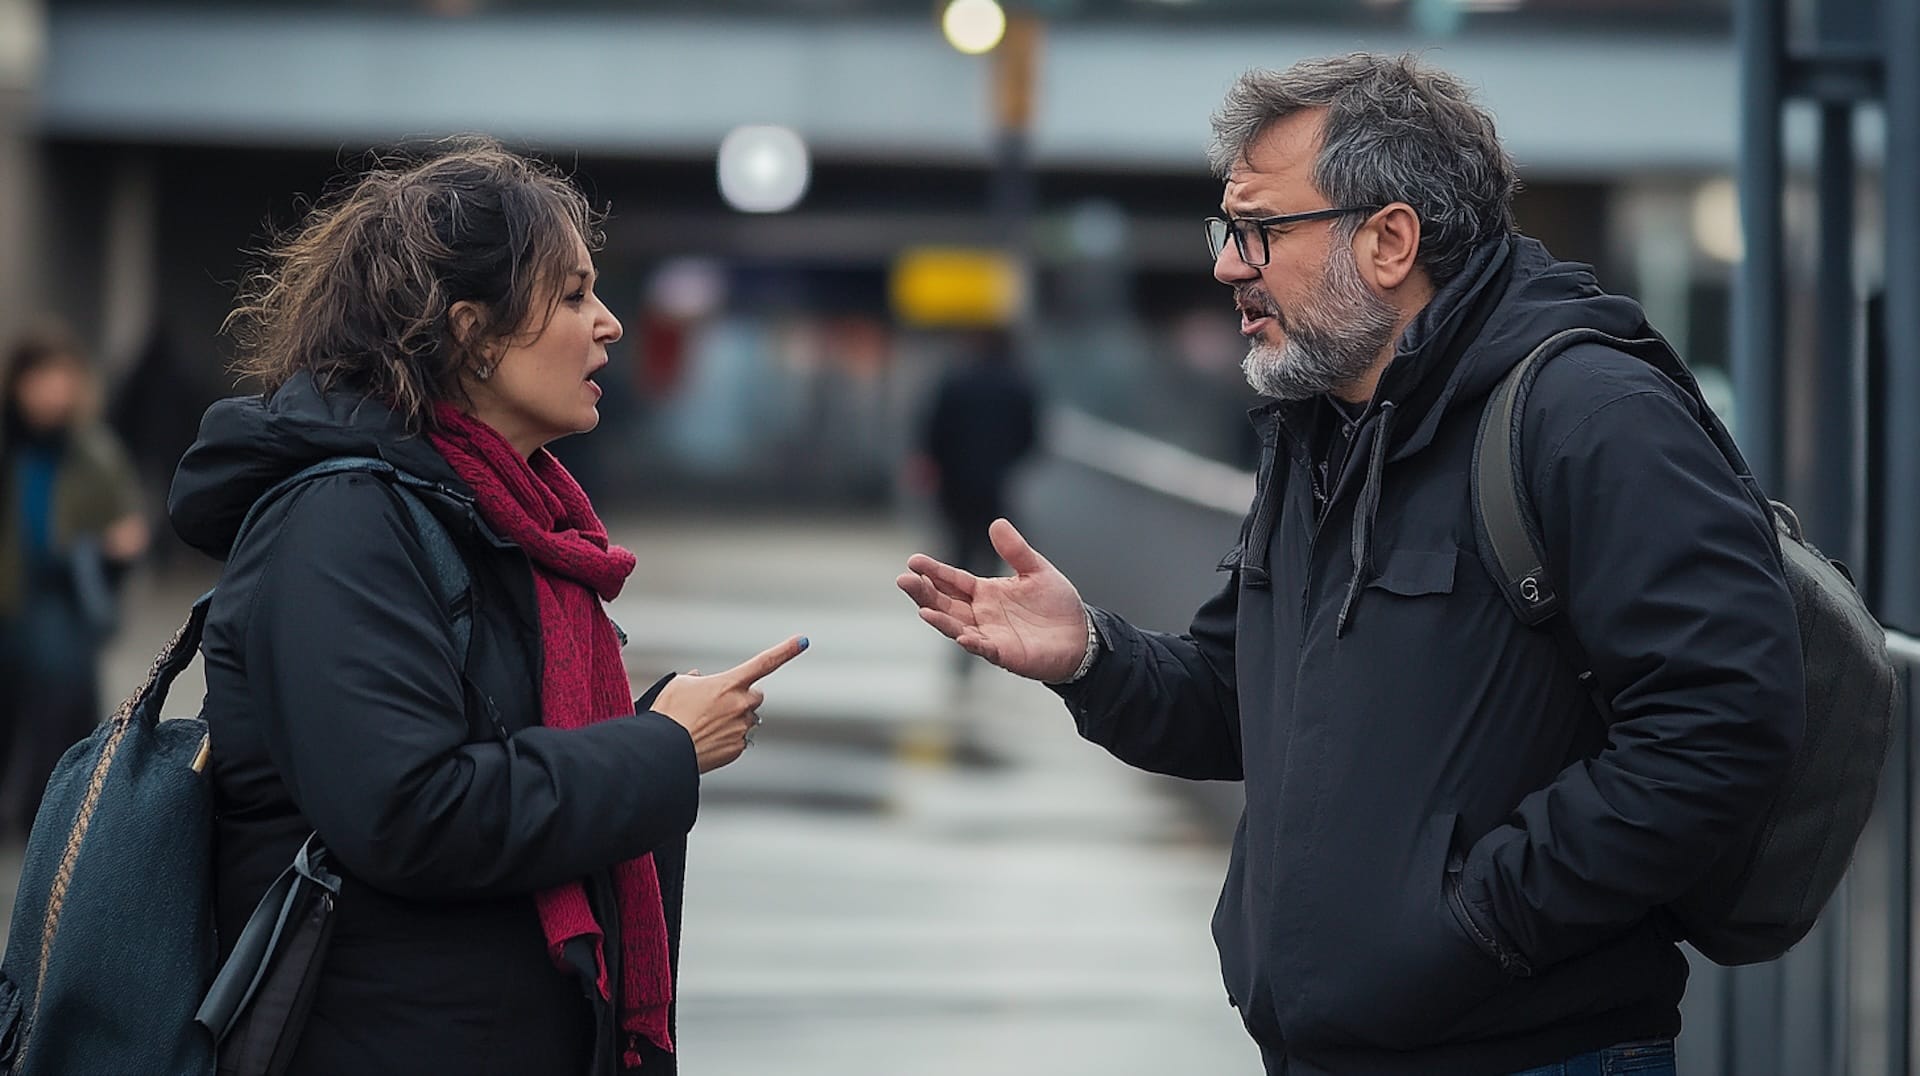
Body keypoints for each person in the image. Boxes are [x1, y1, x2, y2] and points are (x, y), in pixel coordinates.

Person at [897, 53, 1803, 1076]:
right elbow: (1235, 699)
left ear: (1388, 240)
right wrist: (1091, 657)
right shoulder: (1322, 429)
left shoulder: (1591, 415)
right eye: (1226, 231)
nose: (1229, 268)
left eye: (1259, 230)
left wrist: (1478, 923)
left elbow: (1722, 724)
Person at [169, 138, 805, 1076]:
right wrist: (659, 749)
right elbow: (411, 813)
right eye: (574, 296)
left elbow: (486, 748)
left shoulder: (493, 518)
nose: (609, 324)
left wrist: (645, 726)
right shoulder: (341, 523)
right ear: (470, 333)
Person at [0, 326, 148, 837]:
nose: (50, 393)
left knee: (60, 709)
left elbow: (128, 526)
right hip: (10, 598)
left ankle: (47, 816)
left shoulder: (94, 452)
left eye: (60, 379)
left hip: (61, 600)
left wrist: (116, 544)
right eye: (39, 380)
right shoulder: (10, 448)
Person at [911, 330, 1039, 579]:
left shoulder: (956, 381)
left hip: (956, 477)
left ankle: (959, 588)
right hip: (996, 479)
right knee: (992, 542)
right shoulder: (1018, 384)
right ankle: (988, 589)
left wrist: (933, 462)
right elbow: (1030, 434)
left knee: (960, 541)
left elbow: (935, 428)